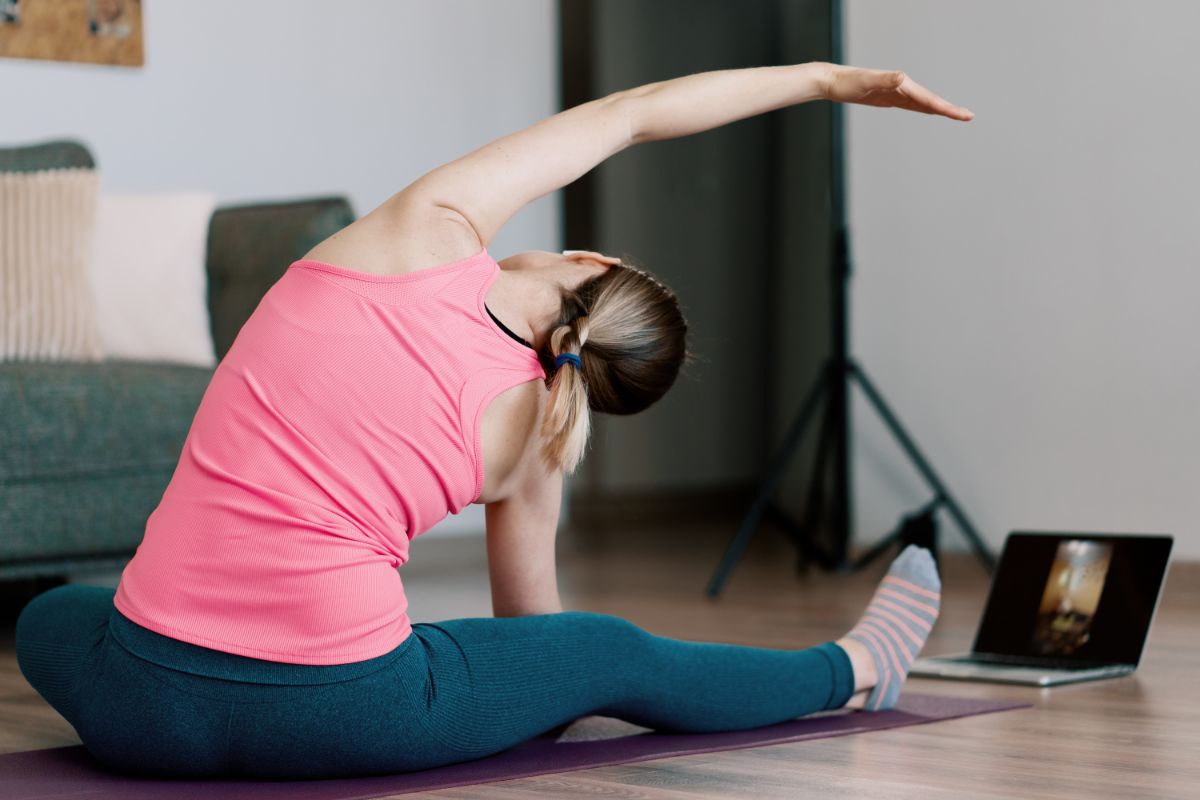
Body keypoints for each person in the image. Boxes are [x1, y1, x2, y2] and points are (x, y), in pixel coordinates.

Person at [15, 61, 970, 780]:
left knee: (55, 610)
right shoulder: (538, 442)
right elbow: (537, 645)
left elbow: (630, 118)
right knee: (604, 652)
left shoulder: (425, 228)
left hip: (140, 710)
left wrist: (832, 81)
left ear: (588, 261)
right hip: (346, 719)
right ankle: (851, 667)